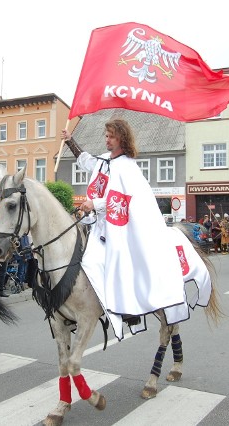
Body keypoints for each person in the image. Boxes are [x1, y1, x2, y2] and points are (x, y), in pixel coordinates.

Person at [61, 119, 210, 339]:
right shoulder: (104, 160)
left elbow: (124, 199)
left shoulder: (128, 167)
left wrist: (96, 204)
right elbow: (86, 161)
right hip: (98, 221)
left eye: (111, 136)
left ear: (121, 138)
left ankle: (129, 308)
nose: (107, 139)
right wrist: (70, 141)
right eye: (106, 135)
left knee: (117, 255)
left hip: (120, 224)